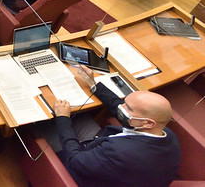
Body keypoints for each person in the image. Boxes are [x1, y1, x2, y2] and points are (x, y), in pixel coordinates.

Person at [49, 66, 180, 187]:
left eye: (127, 108)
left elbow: (74, 160)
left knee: (44, 127)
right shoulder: (165, 134)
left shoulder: (120, 152)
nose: (122, 107)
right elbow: (119, 106)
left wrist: (63, 118)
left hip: (81, 174)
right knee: (81, 118)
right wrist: (93, 85)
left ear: (148, 122)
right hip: (109, 161)